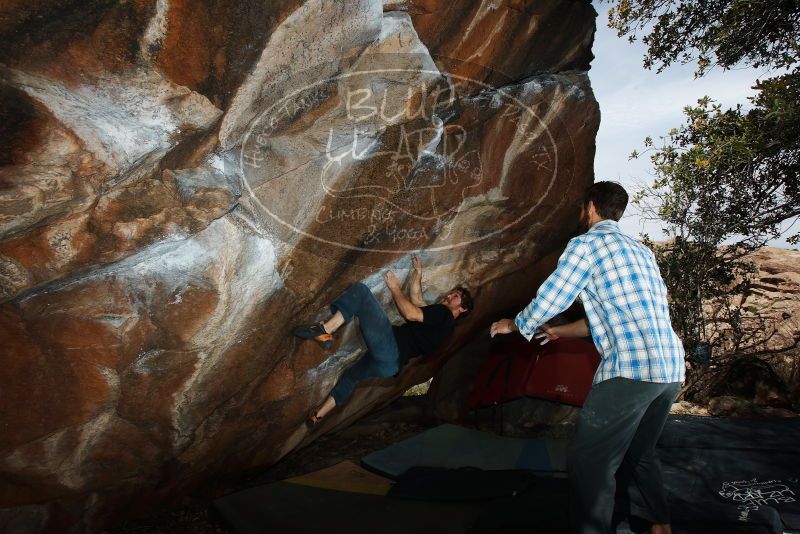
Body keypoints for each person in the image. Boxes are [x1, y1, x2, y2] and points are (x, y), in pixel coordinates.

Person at [490, 181, 685, 534]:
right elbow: (613, 316)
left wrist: (517, 324)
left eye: (583, 209)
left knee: (589, 461)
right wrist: (558, 331)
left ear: (591, 207)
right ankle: (660, 524)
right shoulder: (642, 252)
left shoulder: (586, 244)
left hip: (630, 370)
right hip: (670, 369)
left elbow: (554, 295)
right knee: (639, 452)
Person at [294, 255, 474, 427]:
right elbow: (418, 302)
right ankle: (318, 416)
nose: (449, 296)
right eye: (451, 293)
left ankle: (326, 330)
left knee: (361, 292)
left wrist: (394, 287)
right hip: (390, 367)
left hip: (390, 348)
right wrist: (418, 273)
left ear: (463, 308)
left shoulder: (444, 314)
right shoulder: (444, 328)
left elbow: (411, 313)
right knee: (352, 376)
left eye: (455, 296)